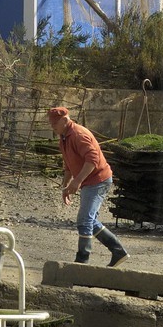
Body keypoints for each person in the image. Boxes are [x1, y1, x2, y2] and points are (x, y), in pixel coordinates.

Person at [47, 106, 128, 266]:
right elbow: (68, 165)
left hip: (98, 181)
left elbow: (93, 160)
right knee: (90, 220)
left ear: (65, 120)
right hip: (89, 182)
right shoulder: (63, 138)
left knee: (84, 220)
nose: (52, 127)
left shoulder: (78, 134)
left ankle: (82, 260)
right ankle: (118, 251)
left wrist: (77, 181)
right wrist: (66, 185)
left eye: (54, 123)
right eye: (51, 123)